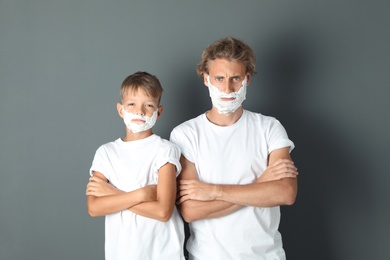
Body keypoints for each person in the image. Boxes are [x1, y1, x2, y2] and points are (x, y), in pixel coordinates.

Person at [170, 37, 298, 260]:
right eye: (219, 78)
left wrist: (213, 192)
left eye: (235, 78)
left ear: (247, 79)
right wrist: (259, 185)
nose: (227, 88)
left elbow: (285, 193)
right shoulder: (185, 134)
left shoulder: (269, 128)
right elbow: (191, 211)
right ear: (206, 79)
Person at [86, 71, 185, 260]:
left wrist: (112, 193)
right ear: (121, 109)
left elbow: (163, 211)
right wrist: (141, 194)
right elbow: (94, 208)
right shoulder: (106, 153)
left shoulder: (166, 150)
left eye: (148, 105)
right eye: (132, 104)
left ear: (159, 111)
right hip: (121, 253)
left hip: (162, 253)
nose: (140, 111)